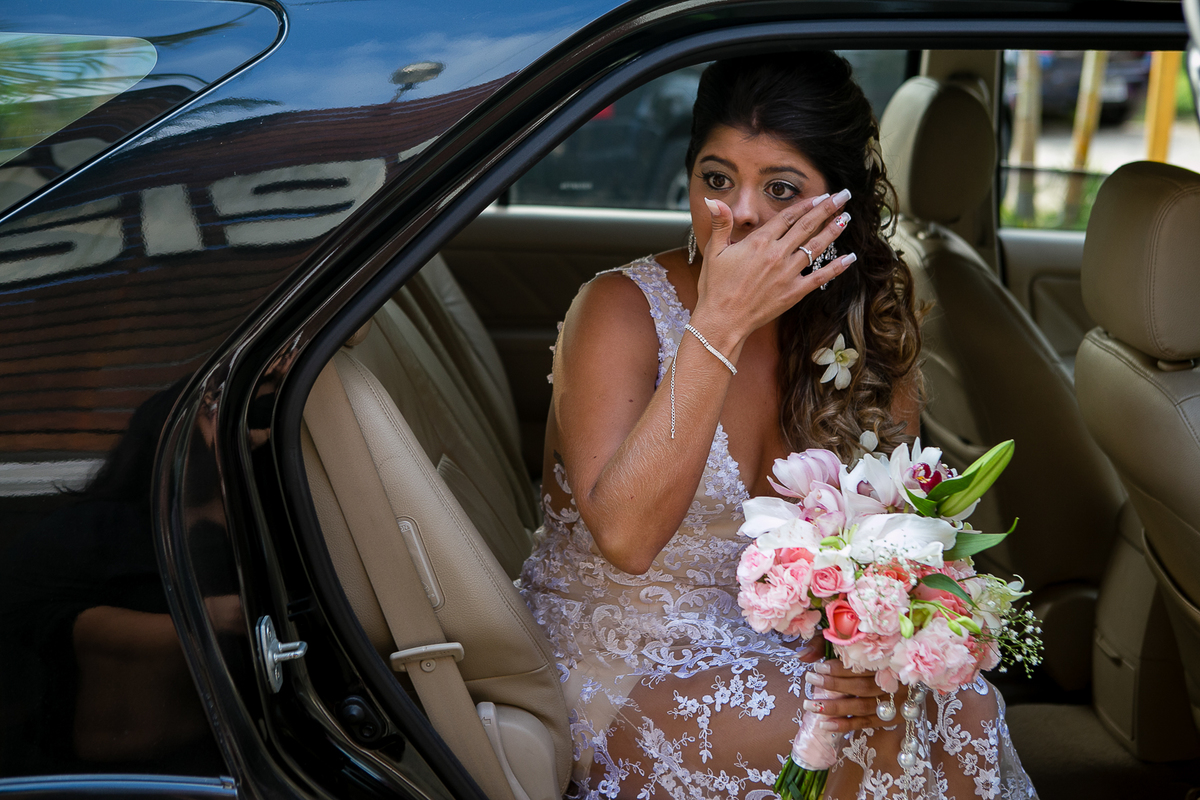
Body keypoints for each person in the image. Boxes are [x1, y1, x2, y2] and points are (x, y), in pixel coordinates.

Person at [519, 52, 1037, 800]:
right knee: (850, 734)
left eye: (782, 189)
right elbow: (627, 540)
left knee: (957, 704)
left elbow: (891, 543)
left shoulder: (868, 325)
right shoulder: (619, 310)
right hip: (621, 653)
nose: (740, 214)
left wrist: (869, 653)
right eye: (716, 178)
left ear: (839, 204)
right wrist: (720, 325)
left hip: (784, 649)